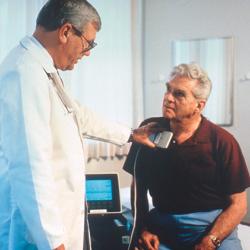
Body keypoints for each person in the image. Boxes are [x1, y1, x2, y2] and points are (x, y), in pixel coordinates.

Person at [0, 1, 157, 250]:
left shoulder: (43, 70)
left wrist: (130, 134)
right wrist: (52, 242)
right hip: (38, 235)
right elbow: (30, 167)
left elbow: (78, 115)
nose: (88, 52)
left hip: (58, 223)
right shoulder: (24, 74)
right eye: (88, 42)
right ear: (65, 32)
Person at [123, 63, 250, 250]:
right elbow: (138, 189)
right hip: (162, 228)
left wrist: (210, 241)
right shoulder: (148, 130)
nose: (168, 98)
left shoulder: (222, 141)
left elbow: (238, 205)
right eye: (168, 90)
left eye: (179, 94)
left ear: (199, 105)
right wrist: (142, 229)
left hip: (211, 229)